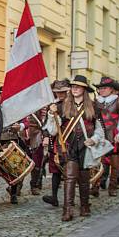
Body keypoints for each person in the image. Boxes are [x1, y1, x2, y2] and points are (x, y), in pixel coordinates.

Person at [45, 75, 107, 221]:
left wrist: (94, 139)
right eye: (73, 86)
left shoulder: (94, 106)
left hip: (86, 147)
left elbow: (100, 129)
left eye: (78, 87)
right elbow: (53, 131)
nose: (75, 89)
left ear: (84, 89)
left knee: (84, 179)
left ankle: (85, 205)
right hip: (69, 147)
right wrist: (50, 114)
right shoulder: (61, 106)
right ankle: (68, 210)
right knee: (70, 177)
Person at [93, 77, 119, 197]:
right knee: (98, 161)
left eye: (104, 88)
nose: (101, 90)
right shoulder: (95, 102)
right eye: (100, 88)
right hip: (98, 134)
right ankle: (95, 186)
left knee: (114, 162)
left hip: (113, 134)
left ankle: (112, 187)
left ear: (112, 89)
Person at [42, 79, 71, 207]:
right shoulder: (53, 105)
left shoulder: (71, 105)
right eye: (57, 92)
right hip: (56, 142)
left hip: (69, 140)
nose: (60, 94)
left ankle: (69, 199)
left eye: (62, 92)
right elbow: (46, 125)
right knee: (55, 171)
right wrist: (46, 136)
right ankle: (54, 197)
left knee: (69, 171)